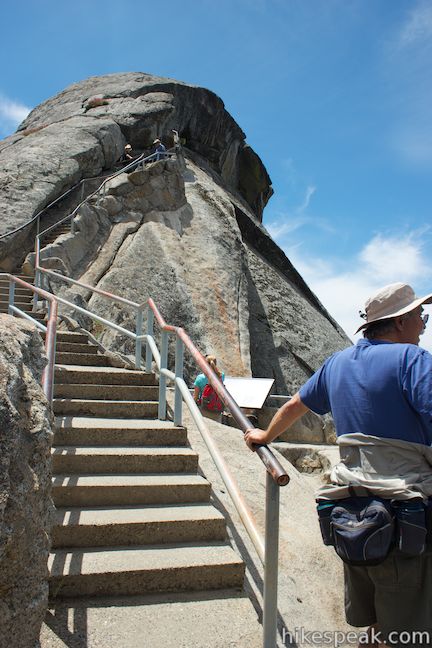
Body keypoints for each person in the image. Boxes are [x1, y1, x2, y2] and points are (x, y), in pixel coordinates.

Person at [245, 282, 432, 646]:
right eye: (418, 315)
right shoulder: (414, 361)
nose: (423, 322)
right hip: (406, 512)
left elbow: (294, 407)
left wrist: (264, 437)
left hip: (351, 513)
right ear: (397, 322)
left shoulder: (338, 362)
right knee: (411, 627)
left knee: (376, 615)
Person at [194, 355, 225, 421]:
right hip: (217, 409)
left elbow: (195, 397)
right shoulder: (221, 376)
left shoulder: (200, 378)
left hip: (204, 409)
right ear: (215, 363)